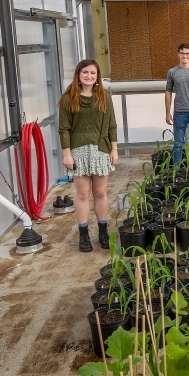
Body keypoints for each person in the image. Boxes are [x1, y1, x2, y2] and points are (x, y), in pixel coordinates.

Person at [58, 59, 118, 252]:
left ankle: (103, 231)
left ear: (97, 76)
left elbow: (111, 125)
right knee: (83, 194)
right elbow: (64, 129)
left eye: (93, 73)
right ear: (78, 74)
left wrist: (114, 149)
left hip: (101, 149)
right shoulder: (69, 98)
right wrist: (67, 154)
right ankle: (83, 235)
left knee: (100, 193)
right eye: (85, 72)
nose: (89, 76)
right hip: (78, 151)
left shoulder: (104, 97)